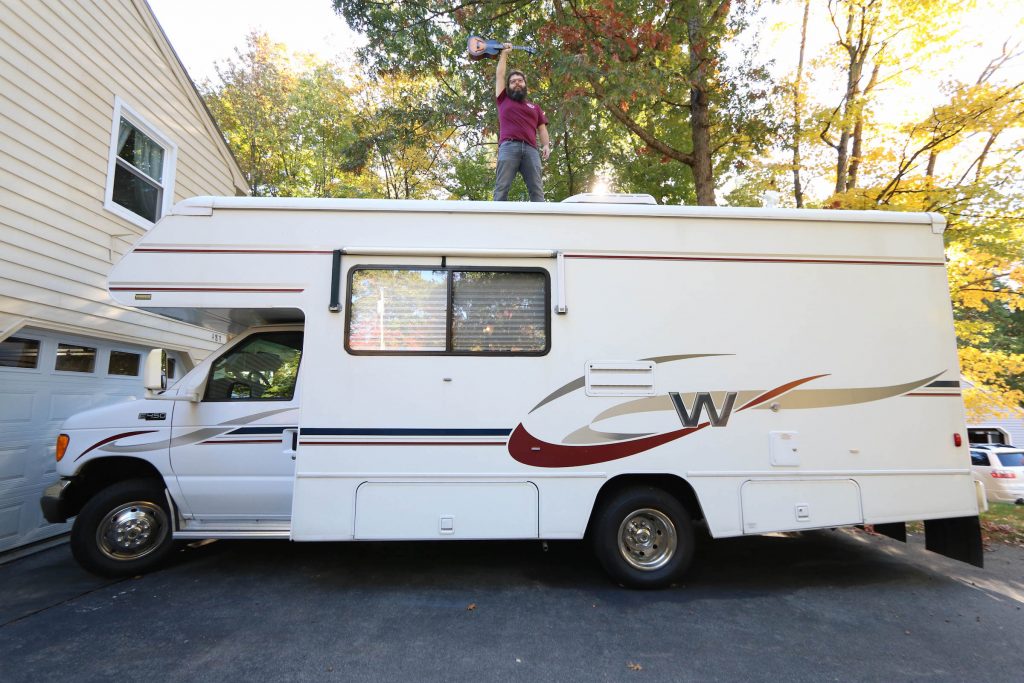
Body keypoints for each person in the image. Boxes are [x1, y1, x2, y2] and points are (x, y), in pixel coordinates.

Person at [494, 43, 550, 202]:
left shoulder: (535, 107)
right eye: (513, 81)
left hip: (531, 150)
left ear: (525, 84)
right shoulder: (503, 99)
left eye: (520, 80)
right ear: (508, 86)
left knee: (537, 190)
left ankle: (541, 224)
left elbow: (542, 129)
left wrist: (546, 145)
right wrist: (504, 54)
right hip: (508, 147)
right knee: (501, 188)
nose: (517, 83)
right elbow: (500, 75)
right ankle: (496, 222)